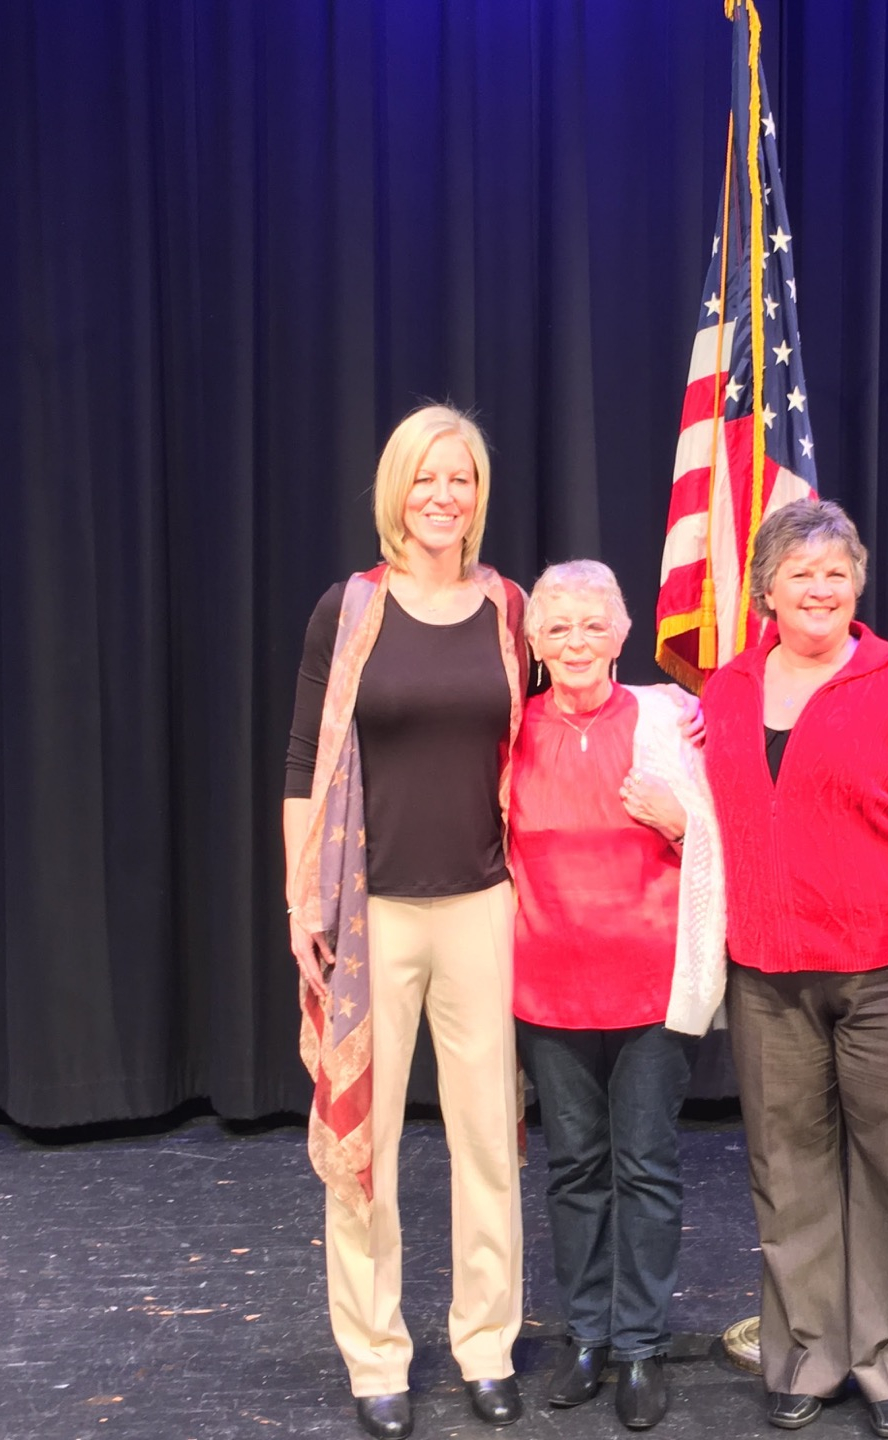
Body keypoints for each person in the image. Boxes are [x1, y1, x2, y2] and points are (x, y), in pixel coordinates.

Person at [702, 499, 888, 1440]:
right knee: (787, 1172)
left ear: (856, 583)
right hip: (768, 977)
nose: (818, 588)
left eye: (835, 572)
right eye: (799, 574)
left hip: (887, 979)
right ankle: (806, 1356)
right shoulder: (729, 690)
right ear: (766, 591)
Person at [284, 404, 528, 1440]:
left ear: (479, 495)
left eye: (460, 479)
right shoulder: (350, 609)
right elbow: (305, 759)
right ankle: (374, 1354)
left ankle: (486, 1346)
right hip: (369, 914)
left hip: (483, 908)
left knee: (487, 1146)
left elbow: (563, 732)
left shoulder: (512, 608)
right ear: (397, 491)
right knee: (367, 1148)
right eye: (426, 479)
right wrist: (301, 898)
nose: (444, 497)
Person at [508, 561, 726, 1431]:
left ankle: (639, 1346)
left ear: (623, 634)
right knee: (574, 1170)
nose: (575, 642)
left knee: (645, 1164)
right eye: (556, 627)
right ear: (533, 643)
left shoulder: (673, 718)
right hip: (547, 988)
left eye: (592, 625)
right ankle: (586, 1336)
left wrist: (684, 820)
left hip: (650, 986)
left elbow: (728, 825)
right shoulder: (510, 730)